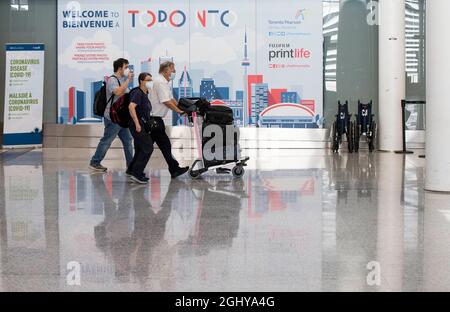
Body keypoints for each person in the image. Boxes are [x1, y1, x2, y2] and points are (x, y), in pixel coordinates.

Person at [89, 58, 134, 172]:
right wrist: (128, 80)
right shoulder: (112, 80)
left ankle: (131, 166)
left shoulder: (123, 80)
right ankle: (95, 162)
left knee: (128, 141)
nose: (128, 69)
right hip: (113, 117)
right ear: (120, 68)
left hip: (122, 118)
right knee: (107, 141)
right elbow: (118, 92)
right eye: (126, 67)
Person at [150, 61, 189, 179]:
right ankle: (174, 169)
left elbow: (171, 99)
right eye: (173, 69)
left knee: (149, 147)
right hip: (154, 120)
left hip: (156, 120)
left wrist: (182, 108)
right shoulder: (160, 82)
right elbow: (166, 101)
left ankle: (174, 169)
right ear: (166, 70)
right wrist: (179, 112)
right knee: (160, 146)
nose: (174, 72)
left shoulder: (164, 82)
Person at [127, 72, 154, 184]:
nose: (150, 82)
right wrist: (137, 124)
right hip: (136, 125)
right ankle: (137, 174)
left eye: (150, 80)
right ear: (141, 81)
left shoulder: (144, 93)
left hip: (140, 124)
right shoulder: (138, 92)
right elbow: (131, 107)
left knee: (139, 148)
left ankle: (132, 170)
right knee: (148, 148)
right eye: (148, 80)